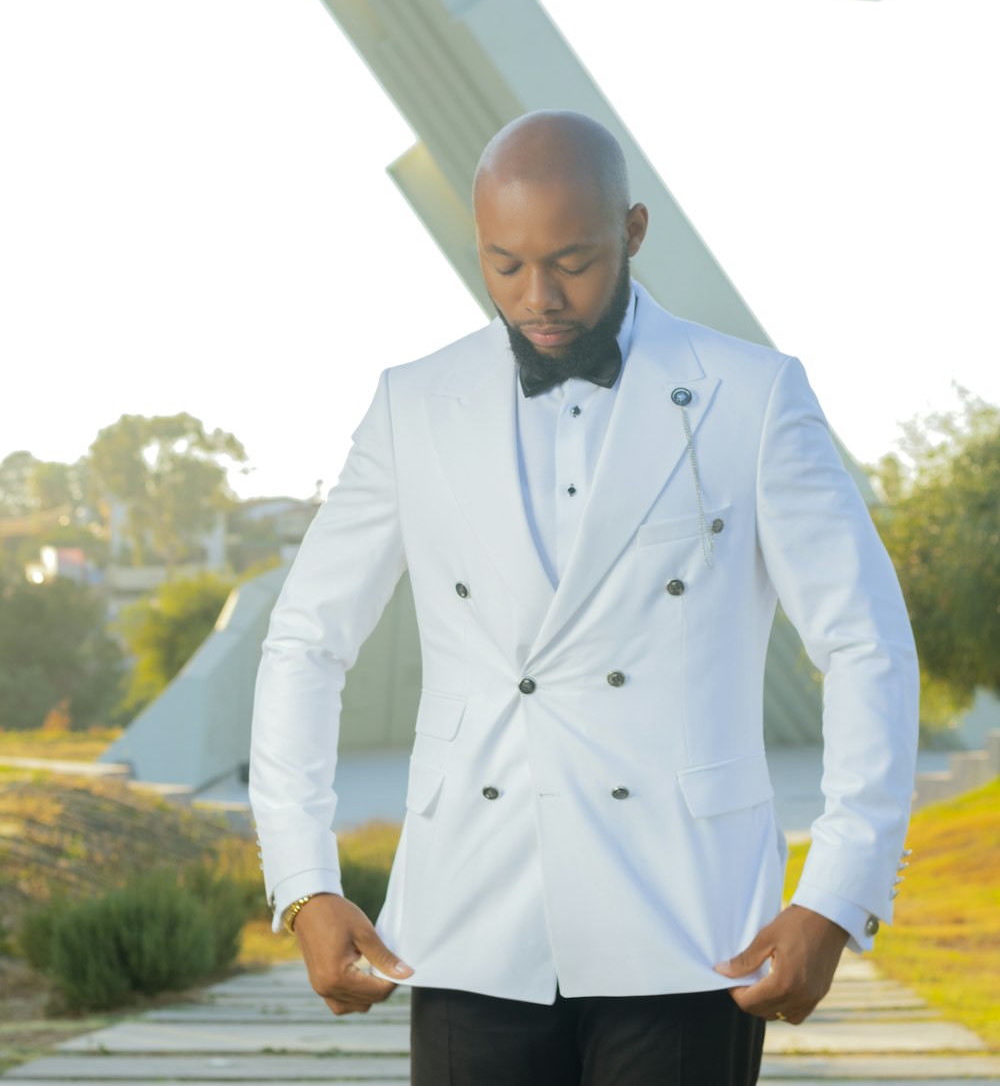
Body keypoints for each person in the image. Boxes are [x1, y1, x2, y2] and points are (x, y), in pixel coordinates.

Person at [249, 110, 919, 1085]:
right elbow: (306, 642)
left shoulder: (753, 393)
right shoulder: (412, 401)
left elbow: (865, 646)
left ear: (634, 232)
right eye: (506, 264)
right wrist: (305, 883)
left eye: (572, 261)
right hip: (468, 917)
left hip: (689, 925)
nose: (539, 296)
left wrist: (835, 896)